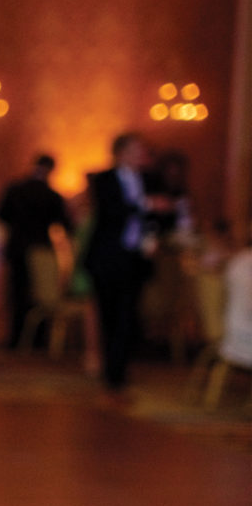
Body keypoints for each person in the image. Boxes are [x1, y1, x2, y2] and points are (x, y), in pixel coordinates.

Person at [84, 132, 157, 391]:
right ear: (121, 153)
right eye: (136, 150)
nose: (141, 155)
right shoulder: (103, 179)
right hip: (107, 257)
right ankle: (109, 369)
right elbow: (110, 212)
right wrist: (145, 205)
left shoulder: (148, 180)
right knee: (108, 313)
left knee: (128, 314)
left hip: (134, 257)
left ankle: (119, 369)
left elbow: (156, 217)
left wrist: (152, 232)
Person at [0, 155, 69, 348]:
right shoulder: (52, 196)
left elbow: (1, 215)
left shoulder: (15, 190)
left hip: (17, 248)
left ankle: (16, 339)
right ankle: (38, 340)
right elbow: (65, 224)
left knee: (17, 294)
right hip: (41, 249)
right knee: (41, 295)